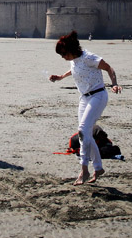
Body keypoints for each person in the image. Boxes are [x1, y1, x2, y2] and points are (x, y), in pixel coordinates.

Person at [49, 30, 121, 185]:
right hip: (84, 98)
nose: (63, 57)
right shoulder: (74, 59)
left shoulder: (89, 57)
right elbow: (74, 68)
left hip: (98, 96)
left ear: (71, 50)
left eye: (64, 54)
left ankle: (84, 170)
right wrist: (61, 77)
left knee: (82, 131)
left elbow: (109, 68)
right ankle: (98, 168)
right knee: (85, 135)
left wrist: (114, 84)